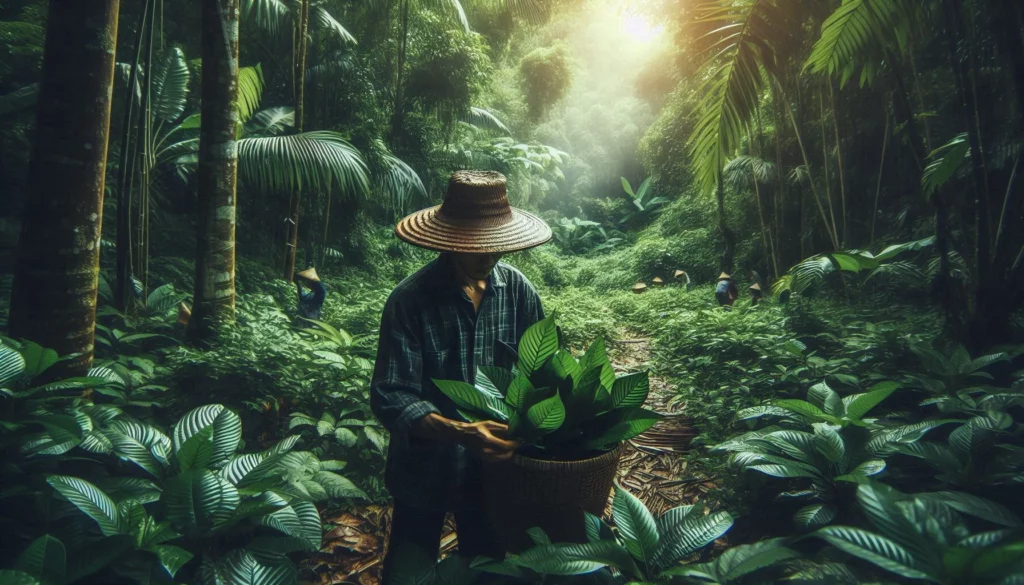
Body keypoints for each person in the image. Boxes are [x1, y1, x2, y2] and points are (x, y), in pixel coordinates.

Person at [371, 171, 551, 584]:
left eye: (495, 244)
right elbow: (391, 394)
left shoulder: (520, 293)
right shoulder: (410, 300)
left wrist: (525, 433)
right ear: (449, 239)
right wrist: (462, 431)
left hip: (493, 476)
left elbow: (541, 375)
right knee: (407, 573)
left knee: (485, 567)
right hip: (423, 471)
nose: (487, 255)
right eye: (475, 244)